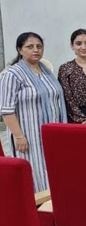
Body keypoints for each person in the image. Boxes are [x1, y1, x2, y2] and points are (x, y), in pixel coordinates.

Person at [0, 32, 67, 192]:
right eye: (30, 47)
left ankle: (50, 208)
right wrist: (19, 136)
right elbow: (6, 110)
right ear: (20, 49)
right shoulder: (12, 74)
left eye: (39, 46)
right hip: (28, 136)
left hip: (49, 133)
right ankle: (35, 210)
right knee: (33, 173)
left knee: (51, 171)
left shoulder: (47, 72)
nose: (35, 50)